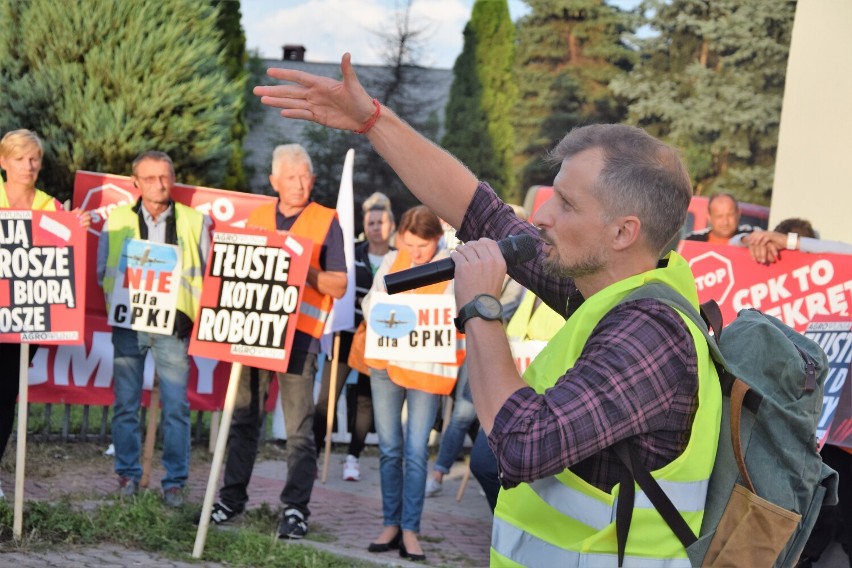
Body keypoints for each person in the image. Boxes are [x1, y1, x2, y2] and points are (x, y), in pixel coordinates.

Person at [254, 55, 722, 565]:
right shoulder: (610, 287)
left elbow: (522, 443)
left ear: (623, 232)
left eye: (566, 204)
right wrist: (371, 119)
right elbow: (480, 211)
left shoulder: (651, 332)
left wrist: (480, 307)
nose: (541, 216)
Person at [206, 144, 347, 540]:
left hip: (301, 340)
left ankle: (295, 510)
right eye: (291, 177)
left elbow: (339, 284)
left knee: (300, 429)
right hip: (254, 333)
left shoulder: (326, 220)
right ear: (274, 182)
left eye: (305, 176)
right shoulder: (257, 217)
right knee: (244, 421)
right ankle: (231, 499)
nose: (300, 184)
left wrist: (305, 270)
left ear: (313, 179)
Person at [97, 150, 210, 507]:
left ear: (173, 177)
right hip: (129, 324)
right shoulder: (116, 219)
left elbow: (205, 274)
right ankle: (127, 475)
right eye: (149, 178)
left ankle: (174, 483)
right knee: (126, 404)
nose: (159, 185)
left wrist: (187, 313)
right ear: (135, 183)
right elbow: (104, 270)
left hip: (173, 328)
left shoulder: (194, 221)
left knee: (176, 407)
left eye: (165, 176)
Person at [363, 205, 464, 562]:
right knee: (390, 448)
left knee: (416, 449)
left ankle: (410, 529)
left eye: (421, 247)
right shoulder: (393, 261)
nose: (415, 254)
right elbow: (370, 303)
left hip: (425, 369)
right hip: (387, 365)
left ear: (437, 240)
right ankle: (391, 524)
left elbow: (457, 320)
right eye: (409, 245)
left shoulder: (452, 270)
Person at [0, 129, 91, 500]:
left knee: (5, 396)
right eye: (20, 158)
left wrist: (76, 231)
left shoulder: (51, 207)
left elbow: (63, 264)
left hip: (24, 320)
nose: (29, 165)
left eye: (34, 158)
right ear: (4, 162)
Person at [312, 198, 395, 481]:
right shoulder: (351, 255)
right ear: (364, 226)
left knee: (365, 400)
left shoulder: (397, 259)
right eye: (370, 223)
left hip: (378, 339)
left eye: (380, 223)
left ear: (391, 226)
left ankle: (353, 457)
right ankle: (312, 453)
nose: (375, 228)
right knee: (327, 398)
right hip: (345, 335)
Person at [730, 217, 852, 263]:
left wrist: (791, 242)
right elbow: (730, 244)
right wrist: (751, 241)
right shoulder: (766, 257)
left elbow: (846, 250)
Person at [684, 192, 754, 243]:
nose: (725, 222)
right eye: (719, 216)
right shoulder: (692, 241)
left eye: (730, 215)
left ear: (738, 213)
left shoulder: (753, 237)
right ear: (709, 217)